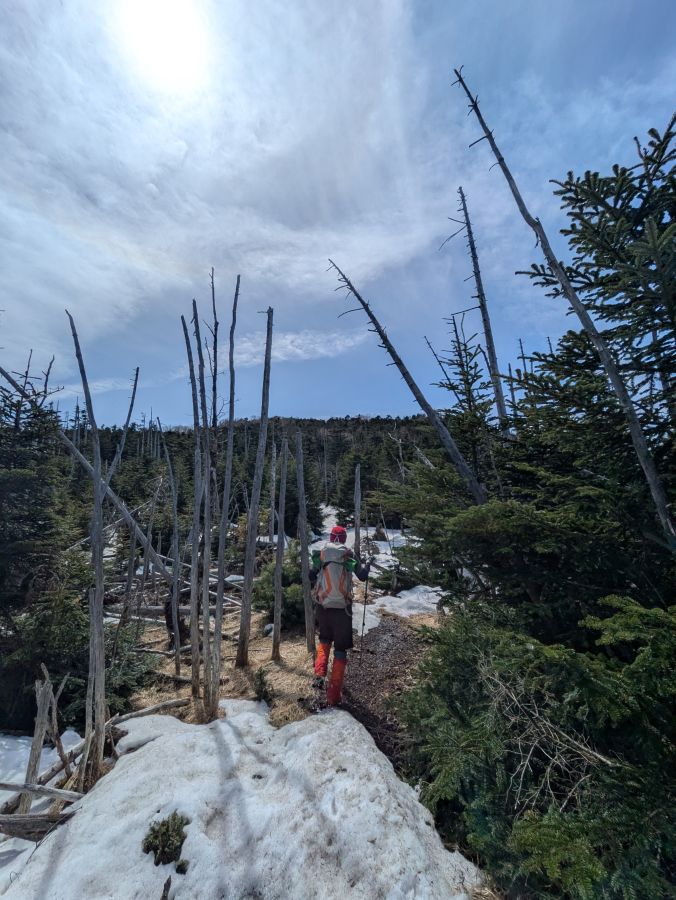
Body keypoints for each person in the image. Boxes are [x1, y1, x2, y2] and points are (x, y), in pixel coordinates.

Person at [310, 524, 370, 705]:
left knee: (324, 640)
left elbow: (310, 576)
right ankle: (334, 694)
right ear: (343, 539)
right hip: (342, 610)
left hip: (324, 607)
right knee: (341, 650)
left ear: (330, 538)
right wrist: (367, 564)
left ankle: (319, 675)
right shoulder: (348, 554)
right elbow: (363, 576)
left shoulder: (322, 553)